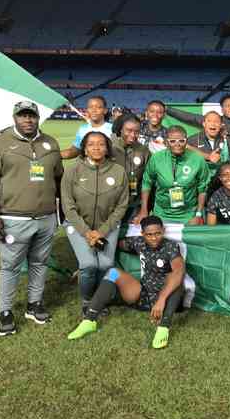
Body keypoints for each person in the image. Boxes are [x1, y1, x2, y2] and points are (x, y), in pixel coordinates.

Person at [0, 101, 64, 336]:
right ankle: (5, 311)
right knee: (10, 267)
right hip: (13, 219)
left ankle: (34, 303)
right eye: (22, 116)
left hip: (46, 218)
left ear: (38, 118)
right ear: (14, 117)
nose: (27, 120)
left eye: (31, 116)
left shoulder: (50, 143)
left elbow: (59, 179)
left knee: (39, 263)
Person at [66, 216, 186, 349]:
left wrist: (162, 299)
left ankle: (163, 327)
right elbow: (113, 244)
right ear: (142, 234)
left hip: (166, 300)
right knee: (113, 272)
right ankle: (89, 320)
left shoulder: (170, 246)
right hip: (143, 295)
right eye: (149, 234)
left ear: (163, 231)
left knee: (178, 283)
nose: (153, 238)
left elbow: (179, 271)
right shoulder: (139, 242)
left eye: (157, 233)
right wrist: (92, 253)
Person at [61, 132, 129, 315]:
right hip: (77, 226)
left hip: (108, 226)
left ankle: (101, 299)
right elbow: (68, 206)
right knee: (89, 265)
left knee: (106, 265)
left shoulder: (118, 171)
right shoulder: (72, 171)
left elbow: (122, 205)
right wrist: (86, 232)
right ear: (84, 148)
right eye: (91, 144)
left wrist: (103, 231)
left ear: (107, 148)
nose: (96, 148)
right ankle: (87, 299)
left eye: (101, 144)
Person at [135, 125, 211, 226]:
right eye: (173, 141)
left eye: (181, 141)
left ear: (186, 141)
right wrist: (144, 210)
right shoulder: (156, 159)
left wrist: (198, 214)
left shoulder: (198, 160)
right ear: (166, 143)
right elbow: (146, 183)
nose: (177, 144)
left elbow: (203, 188)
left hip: (189, 215)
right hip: (161, 214)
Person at [111, 115, 150, 222]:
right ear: (120, 129)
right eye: (129, 130)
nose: (133, 135)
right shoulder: (108, 147)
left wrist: (143, 208)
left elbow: (147, 181)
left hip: (133, 205)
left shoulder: (143, 150)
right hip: (110, 207)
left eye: (137, 131)